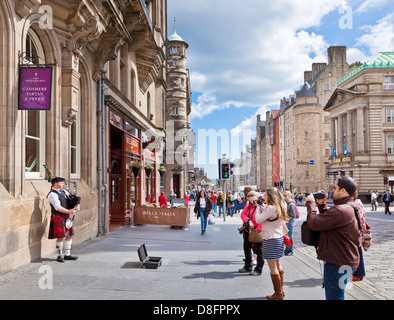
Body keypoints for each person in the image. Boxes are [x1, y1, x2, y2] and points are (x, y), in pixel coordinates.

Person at [305, 176, 360, 300]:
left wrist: (310, 204)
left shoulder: (341, 210)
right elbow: (329, 221)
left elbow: (314, 222)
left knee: (334, 296)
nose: (332, 190)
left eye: (334, 187)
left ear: (343, 190)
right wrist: (322, 205)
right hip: (344, 259)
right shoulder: (348, 206)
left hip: (337, 262)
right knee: (338, 293)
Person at [255, 188, 288, 300]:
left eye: (265, 195)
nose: (263, 197)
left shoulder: (270, 208)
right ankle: (281, 289)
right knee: (278, 265)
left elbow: (258, 219)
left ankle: (277, 293)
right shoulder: (282, 205)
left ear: (270, 196)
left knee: (272, 267)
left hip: (270, 238)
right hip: (279, 238)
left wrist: (258, 207)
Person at [47, 177, 80, 263]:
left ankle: (67, 254)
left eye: (62, 183)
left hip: (66, 217)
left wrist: (77, 204)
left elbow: (73, 198)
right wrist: (69, 211)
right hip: (58, 216)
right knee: (60, 236)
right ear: (55, 184)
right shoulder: (52, 194)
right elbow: (58, 207)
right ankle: (60, 255)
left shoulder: (64, 191)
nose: (62, 184)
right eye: (61, 183)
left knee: (69, 235)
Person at [239, 191, 265, 276]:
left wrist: (257, 228)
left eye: (254, 200)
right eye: (250, 200)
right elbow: (243, 214)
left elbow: (263, 218)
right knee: (247, 248)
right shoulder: (247, 205)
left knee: (258, 250)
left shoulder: (262, 206)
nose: (252, 202)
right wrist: (248, 220)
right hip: (248, 229)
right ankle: (248, 266)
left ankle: (258, 268)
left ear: (257, 198)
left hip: (257, 230)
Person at [352, 189, 367, 281]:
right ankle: (358, 272)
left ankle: (359, 273)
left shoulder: (356, 203)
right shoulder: (357, 202)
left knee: (357, 252)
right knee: (357, 252)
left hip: (356, 232)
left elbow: (360, 218)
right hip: (357, 232)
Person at [283, 191, 297, 256]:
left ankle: (290, 250)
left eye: (285, 195)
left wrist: (286, 218)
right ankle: (287, 248)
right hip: (287, 221)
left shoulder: (291, 204)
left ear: (289, 196)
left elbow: (293, 215)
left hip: (290, 221)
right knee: (287, 236)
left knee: (290, 236)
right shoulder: (287, 203)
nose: (284, 197)